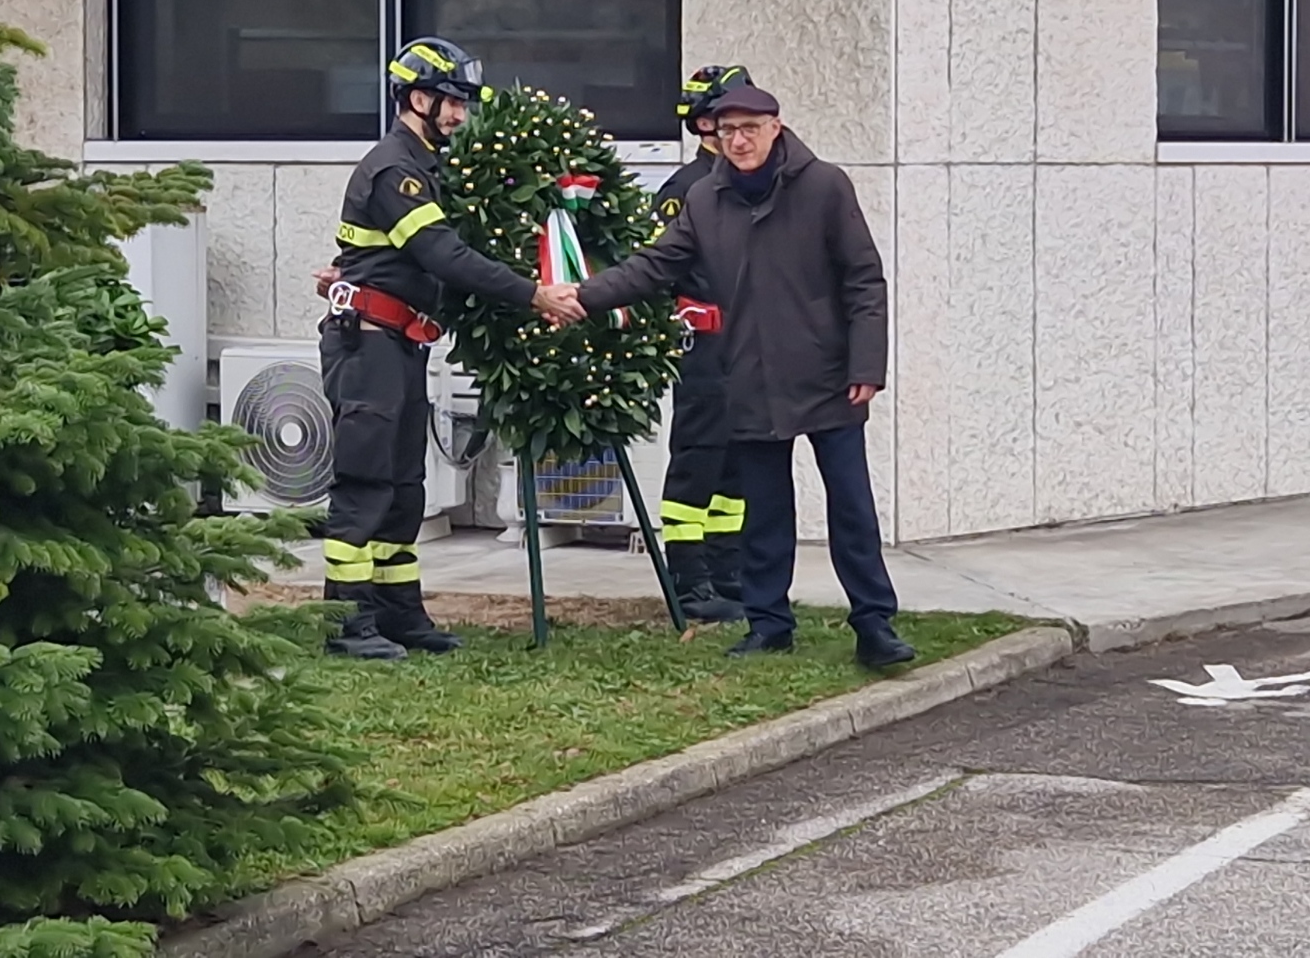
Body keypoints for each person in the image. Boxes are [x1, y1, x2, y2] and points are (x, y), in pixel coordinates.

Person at [577, 86, 915, 670]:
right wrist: (582, 296)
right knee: (764, 510)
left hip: (829, 376)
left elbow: (864, 279)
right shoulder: (704, 199)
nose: (738, 140)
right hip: (751, 376)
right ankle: (769, 624)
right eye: (727, 130)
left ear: (775, 127)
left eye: (750, 128)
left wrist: (867, 364)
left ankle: (873, 623)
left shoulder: (825, 186)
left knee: (851, 506)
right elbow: (655, 266)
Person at [316, 37, 585, 660]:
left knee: (404, 486)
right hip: (368, 346)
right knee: (365, 484)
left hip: (398, 344)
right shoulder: (396, 170)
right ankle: (347, 622)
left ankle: (398, 613)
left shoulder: (425, 165)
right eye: (452, 102)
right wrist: (534, 294)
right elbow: (443, 255)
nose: (461, 115)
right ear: (418, 100)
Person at [649, 66, 754, 624]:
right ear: (708, 122)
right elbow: (662, 269)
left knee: (736, 465)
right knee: (698, 458)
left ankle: (727, 574)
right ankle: (689, 582)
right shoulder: (687, 189)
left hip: (746, 346)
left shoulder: (750, 184)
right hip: (704, 346)